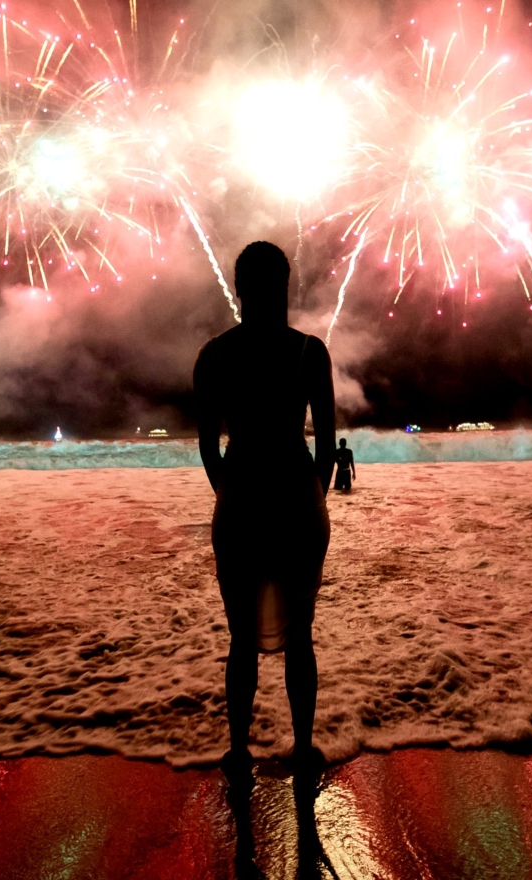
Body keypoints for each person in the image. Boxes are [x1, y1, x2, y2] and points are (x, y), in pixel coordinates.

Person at [194, 241, 335, 778]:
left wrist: (230, 491)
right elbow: (324, 444)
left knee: (240, 638)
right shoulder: (308, 352)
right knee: (300, 635)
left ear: (238, 288)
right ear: (285, 286)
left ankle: (239, 750)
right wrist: (312, 494)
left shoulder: (215, 355)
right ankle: (303, 749)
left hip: (241, 497)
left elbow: (209, 448)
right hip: (298, 498)